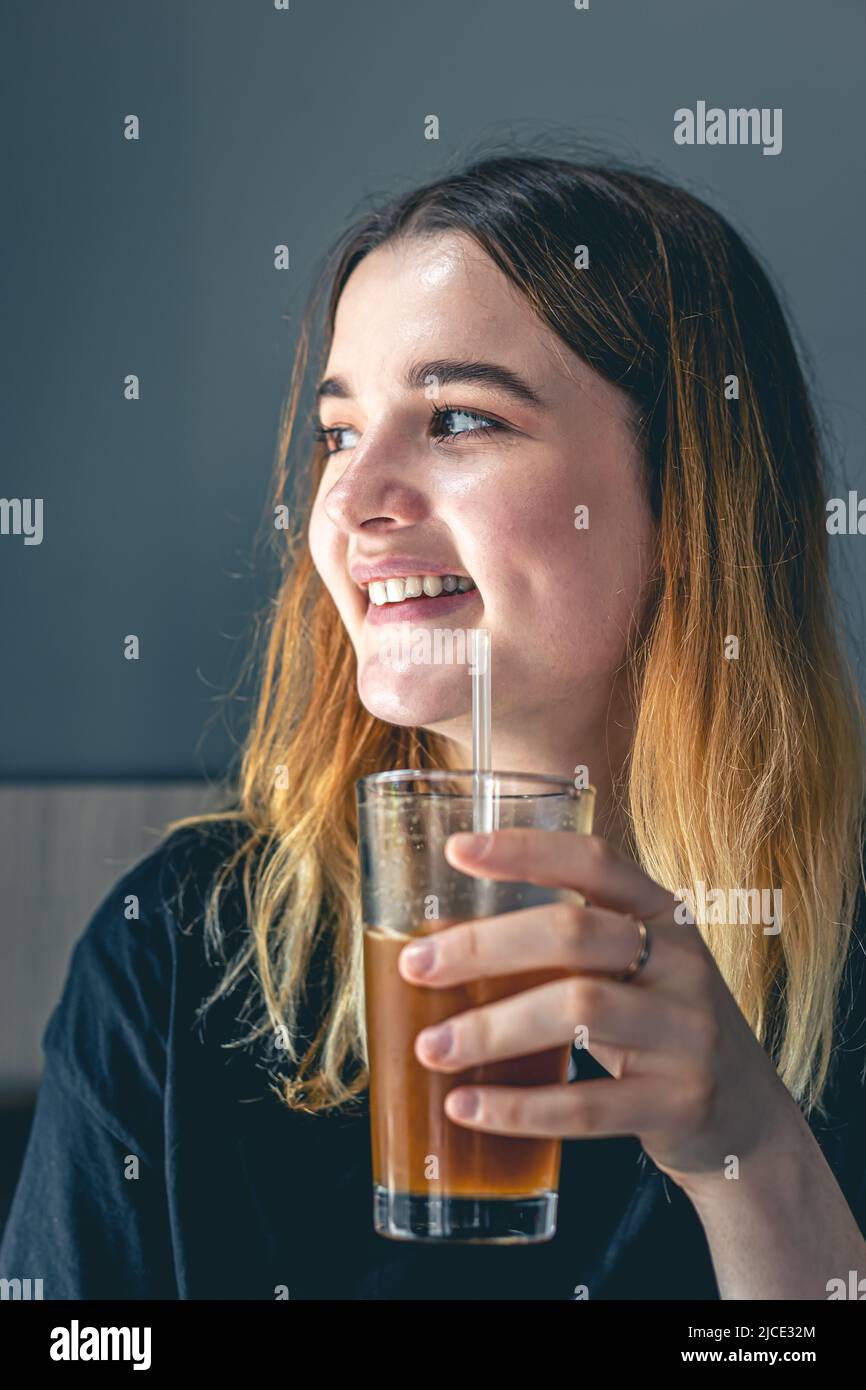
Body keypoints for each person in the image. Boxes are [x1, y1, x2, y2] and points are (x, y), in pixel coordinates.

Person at [3, 149, 866, 1300]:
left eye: (457, 418)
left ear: (686, 499)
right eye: (338, 434)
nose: (354, 504)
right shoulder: (172, 954)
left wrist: (753, 1162)